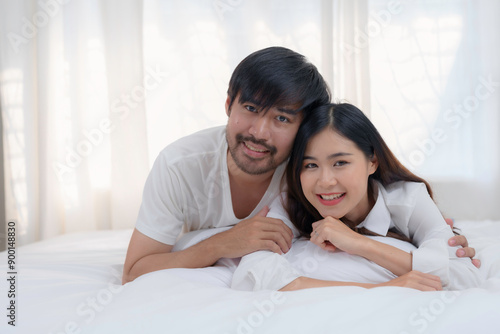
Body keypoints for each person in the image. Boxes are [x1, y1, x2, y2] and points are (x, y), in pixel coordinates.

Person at [122, 47, 477, 285]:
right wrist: (222, 243)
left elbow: (443, 257)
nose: (259, 132)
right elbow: (135, 272)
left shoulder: (306, 167)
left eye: (282, 117)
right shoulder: (179, 164)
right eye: (250, 109)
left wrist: (431, 237)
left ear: (305, 126)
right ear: (229, 103)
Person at [232, 103, 482, 291]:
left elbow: (465, 277)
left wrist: (357, 243)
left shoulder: (407, 198)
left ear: (372, 161)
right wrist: (379, 289)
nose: (325, 181)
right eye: (310, 166)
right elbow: (254, 273)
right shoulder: (292, 202)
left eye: (340, 162)